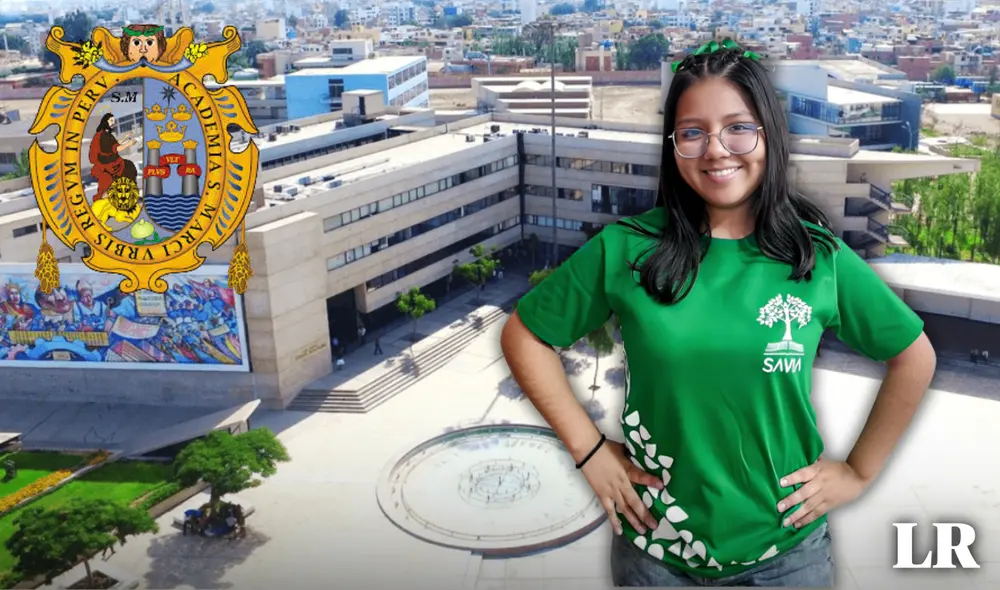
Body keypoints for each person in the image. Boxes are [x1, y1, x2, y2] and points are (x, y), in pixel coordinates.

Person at [500, 40, 936, 588]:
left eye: (738, 127)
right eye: (692, 132)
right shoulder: (626, 250)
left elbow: (913, 357)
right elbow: (525, 337)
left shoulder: (815, 258)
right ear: (673, 146)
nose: (716, 150)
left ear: (768, 135)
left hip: (786, 557)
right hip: (654, 555)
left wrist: (858, 471)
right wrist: (589, 451)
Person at [89, 113, 139, 202]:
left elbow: (115, 143)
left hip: (111, 161)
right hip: (107, 164)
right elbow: (115, 148)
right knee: (128, 166)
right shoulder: (102, 136)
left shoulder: (106, 134)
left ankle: (129, 192)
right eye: (111, 121)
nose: (113, 123)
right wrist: (129, 144)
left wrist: (126, 137)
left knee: (128, 166)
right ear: (105, 121)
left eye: (114, 121)